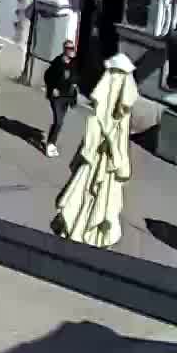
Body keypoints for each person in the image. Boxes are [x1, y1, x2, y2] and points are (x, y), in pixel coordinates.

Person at [55, 52, 137, 248]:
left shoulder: (105, 117)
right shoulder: (114, 119)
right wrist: (116, 154)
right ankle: (86, 235)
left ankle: (79, 232)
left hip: (98, 163)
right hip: (103, 164)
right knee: (97, 197)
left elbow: (88, 149)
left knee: (87, 194)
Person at [41, 39, 80, 158]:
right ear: (64, 50)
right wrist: (52, 88)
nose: (72, 50)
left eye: (73, 48)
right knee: (58, 121)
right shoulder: (58, 62)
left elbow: (76, 76)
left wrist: (75, 85)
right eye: (70, 48)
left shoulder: (74, 62)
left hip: (67, 97)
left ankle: (51, 141)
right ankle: (50, 144)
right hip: (57, 97)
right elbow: (47, 76)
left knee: (59, 122)